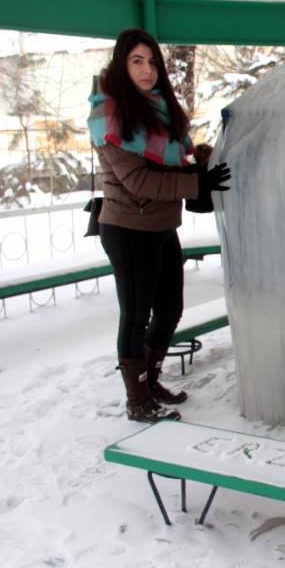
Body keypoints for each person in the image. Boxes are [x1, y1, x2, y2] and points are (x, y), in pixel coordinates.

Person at [87, 28, 231, 422]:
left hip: (163, 224)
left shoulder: (160, 109)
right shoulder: (110, 116)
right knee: (135, 315)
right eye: (137, 61)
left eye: (152, 61)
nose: (147, 69)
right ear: (122, 64)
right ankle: (137, 399)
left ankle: (150, 380)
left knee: (169, 310)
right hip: (128, 227)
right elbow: (139, 180)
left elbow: (168, 164)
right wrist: (195, 183)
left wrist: (199, 163)